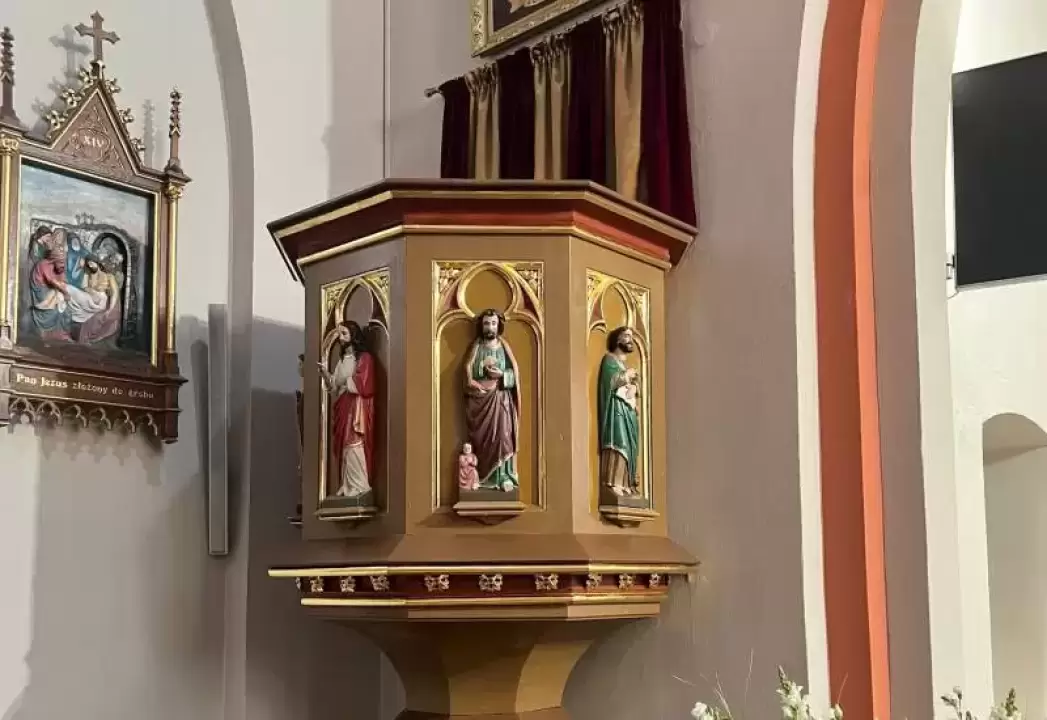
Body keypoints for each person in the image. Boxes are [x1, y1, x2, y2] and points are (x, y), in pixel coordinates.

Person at [463, 309, 520, 492]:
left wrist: (502, 375)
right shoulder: (477, 346)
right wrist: (471, 381)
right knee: (483, 441)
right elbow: (467, 368)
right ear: (482, 326)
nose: (490, 327)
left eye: (493, 323)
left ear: (498, 325)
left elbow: (514, 375)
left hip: (501, 398)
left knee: (503, 436)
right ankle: (482, 477)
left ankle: (504, 476)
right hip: (481, 400)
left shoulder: (504, 346)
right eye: (486, 323)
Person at [319, 321, 376, 499]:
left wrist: (345, 382)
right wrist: (326, 375)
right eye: (339, 334)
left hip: (356, 408)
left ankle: (360, 485)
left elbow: (365, 384)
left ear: (354, 335)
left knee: (354, 444)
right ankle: (346, 484)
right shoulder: (343, 360)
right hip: (343, 406)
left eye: (344, 334)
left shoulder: (364, 358)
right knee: (344, 445)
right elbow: (334, 386)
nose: (341, 338)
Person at [597, 326, 641, 496]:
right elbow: (610, 381)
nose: (630, 340)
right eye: (627, 336)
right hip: (616, 412)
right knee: (618, 443)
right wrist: (626, 376)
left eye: (631, 336)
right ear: (617, 339)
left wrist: (635, 388)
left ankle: (626, 483)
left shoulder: (623, 365)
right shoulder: (609, 360)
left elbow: (634, 387)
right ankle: (613, 483)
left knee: (629, 446)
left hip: (628, 412)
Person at [27, 227, 71, 341]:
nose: (62, 264)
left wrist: (63, 288)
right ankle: (48, 332)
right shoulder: (44, 264)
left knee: (65, 308)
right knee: (55, 308)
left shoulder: (57, 264)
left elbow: (61, 277)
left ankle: (59, 332)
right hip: (40, 289)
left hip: (49, 287)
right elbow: (53, 282)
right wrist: (65, 293)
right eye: (60, 262)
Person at [75, 256, 121, 344]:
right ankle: (84, 340)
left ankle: (88, 339)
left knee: (97, 318)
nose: (90, 266)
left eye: (92, 263)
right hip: (91, 301)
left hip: (105, 303)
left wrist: (110, 309)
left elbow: (114, 293)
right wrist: (91, 291)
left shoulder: (109, 276)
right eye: (88, 264)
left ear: (97, 262)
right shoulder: (88, 275)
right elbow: (84, 287)